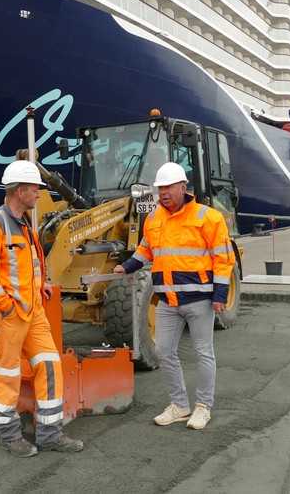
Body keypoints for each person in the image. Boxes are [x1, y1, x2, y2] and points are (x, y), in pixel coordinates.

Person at [0, 160, 84, 457]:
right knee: (6, 375)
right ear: (20, 190)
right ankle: (10, 437)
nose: (39, 193)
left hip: (32, 312)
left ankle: (50, 433)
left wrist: (42, 284)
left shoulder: (25, 224)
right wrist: (6, 308)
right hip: (8, 316)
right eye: (35, 188)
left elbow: (32, 263)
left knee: (50, 365)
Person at [114, 162, 235, 430]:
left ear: (183, 187)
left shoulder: (208, 217)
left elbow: (223, 259)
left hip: (199, 300)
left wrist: (220, 294)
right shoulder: (155, 218)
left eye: (169, 187)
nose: (164, 193)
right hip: (167, 300)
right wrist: (127, 266)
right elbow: (146, 249)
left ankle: (203, 407)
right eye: (160, 188)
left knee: (204, 353)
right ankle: (179, 405)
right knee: (163, 351)